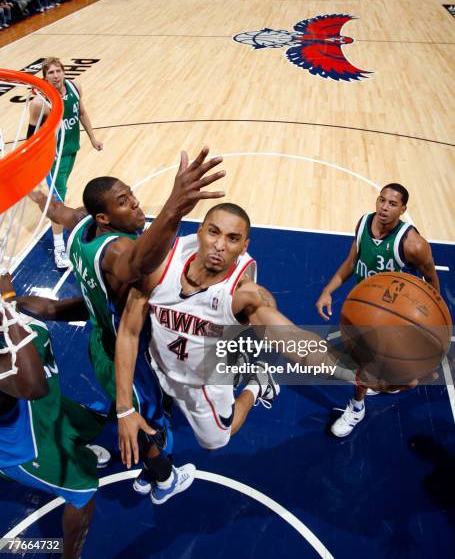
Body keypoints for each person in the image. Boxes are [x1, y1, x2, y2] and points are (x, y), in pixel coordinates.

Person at [30, 147, 225, 500]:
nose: (135, 203)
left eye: (131, 194)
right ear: (104, 218)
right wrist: (175, 206)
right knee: (142, 423)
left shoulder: (80, 224)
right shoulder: (117, 252)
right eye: (124, 201)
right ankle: (163, 479)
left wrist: (24, 181)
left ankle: (149, 460)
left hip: (101, 337)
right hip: (127, 353)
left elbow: (54, 209)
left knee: (147, 413)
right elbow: (138, 261)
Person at [116, 203, 287, 466]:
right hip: (159, 363)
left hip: (205, 381)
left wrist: (347, 367)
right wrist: (124, 408)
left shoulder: (244, 292)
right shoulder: (161, 266)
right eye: (213, 232)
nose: (219, 245)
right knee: (161, 410)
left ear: (244, 247)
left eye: (232, 239)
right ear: (199, 232)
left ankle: (257, 382)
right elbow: (128, 331)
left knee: (216, 441)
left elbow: (294, 339)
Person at [316, 183, 440, 437]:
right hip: (365, 308)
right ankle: (366, 397)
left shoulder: (413, 245)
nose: (384, 207)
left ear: (403, 209)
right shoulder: (363, 223)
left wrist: (432, 319)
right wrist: (328, 290)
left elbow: (432, 280)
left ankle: (367, 399)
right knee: (366, 365)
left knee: (388, 373)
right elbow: (352, 262)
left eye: (392, 204)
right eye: (381, 200)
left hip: (394, 315)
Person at [0, 274, 110, 559]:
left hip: (49, 407)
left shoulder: (15, 304)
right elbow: (32, 385)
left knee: (95, 424)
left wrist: (110, 295)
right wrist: (8, 310)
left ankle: (76, 448)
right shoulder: (8, 317)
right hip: (24, 447)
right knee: (85, 492)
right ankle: (69, 556)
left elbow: (59, 309)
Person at [28, 57, 103, 269]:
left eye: (58, 71)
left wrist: (92, 138)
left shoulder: (75, 87)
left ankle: (36, 197)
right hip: (53, 158)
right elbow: (30, 135)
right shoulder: (39, 103)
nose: (55, 76)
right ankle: (59, 247)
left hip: (71, 150)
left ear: (64, 72)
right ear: (44, 77)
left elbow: (81, 113)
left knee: (58, 194)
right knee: (58, 201)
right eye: (50, 73)